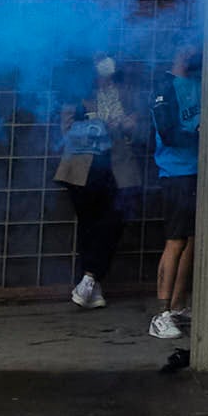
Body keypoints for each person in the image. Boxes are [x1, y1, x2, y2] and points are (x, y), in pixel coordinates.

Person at [56, 56, 140, 309]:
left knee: (114, 221)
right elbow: (67, 130)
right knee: (89, 226)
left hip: (118, 167)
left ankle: (89, 278)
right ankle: (93, 286)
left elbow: (138, 129)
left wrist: (129, 125)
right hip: (83, 168)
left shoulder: (125, 93)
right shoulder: (77, 94)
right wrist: (100, 125)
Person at [148, 46, 202, 342]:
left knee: (192, 240)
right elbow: (168, 133)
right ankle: (161, 312)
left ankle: (178, 306)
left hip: (198, 171)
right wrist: (199, 134)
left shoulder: (201, 83)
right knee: (176, 240)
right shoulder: (165, 88)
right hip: (175, 173)